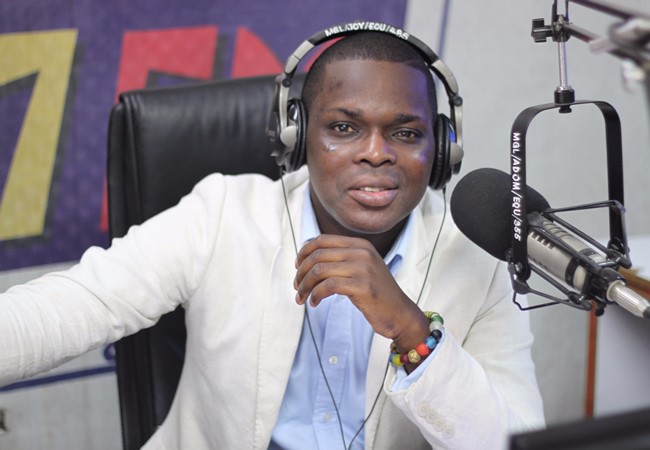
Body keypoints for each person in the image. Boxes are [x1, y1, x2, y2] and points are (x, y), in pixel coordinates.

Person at [0, 26, 544, 449]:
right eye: (345, 127)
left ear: (442, 149)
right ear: (298, 136)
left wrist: (413, 332)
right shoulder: (222, 215)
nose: (376, 153)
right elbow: (78, 304)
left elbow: (513, 440)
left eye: (405, 132)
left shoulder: (477, 257)